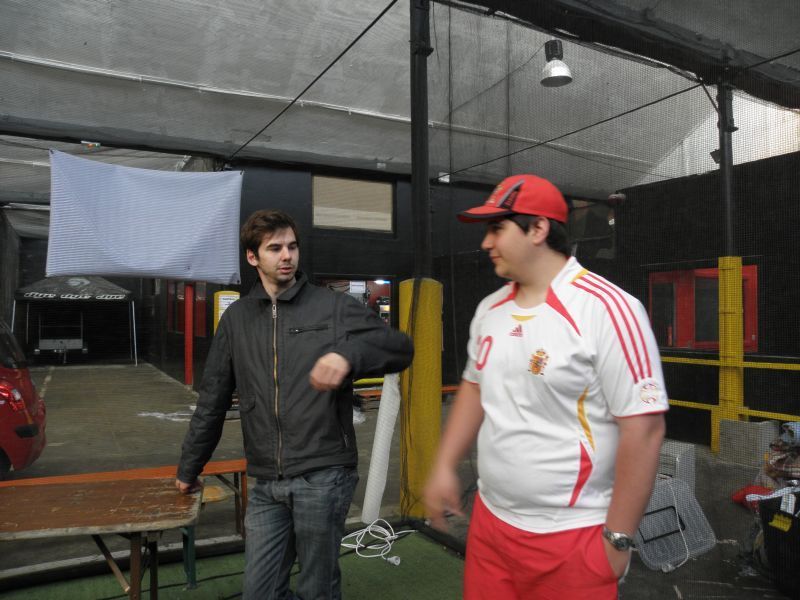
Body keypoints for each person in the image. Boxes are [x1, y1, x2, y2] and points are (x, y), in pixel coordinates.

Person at [424, 174, 667, 599]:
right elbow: (474, 387)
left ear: (537, 228)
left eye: (497, 228)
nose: (486, 242)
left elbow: (644, 429)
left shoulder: (608, 309)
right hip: (490, 525)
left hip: (572, 536)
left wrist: (618, 538)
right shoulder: (490, 309)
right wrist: (445, 464)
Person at [176, 209, 413, 600]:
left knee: (317, 589)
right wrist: (190, 467)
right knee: (260, 592)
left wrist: (348, 356)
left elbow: (399, 348)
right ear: (253, 257)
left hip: (323, 474)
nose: (286, 255)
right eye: (274, 248)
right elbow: (212, 400)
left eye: (292, 246)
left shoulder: (331, 306)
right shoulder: (236, 320)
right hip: (266, 480)